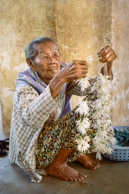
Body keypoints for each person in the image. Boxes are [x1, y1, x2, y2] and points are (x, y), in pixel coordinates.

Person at [9, 36, 117, 183]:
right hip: (35, 150)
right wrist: (60, 79)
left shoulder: (62, 73)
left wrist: (108, 64)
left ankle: (71, 151)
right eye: (44, 56)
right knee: (79, 116)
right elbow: (32, 119)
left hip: (55, 137)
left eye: (55, 54)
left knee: (93, 103)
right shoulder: (25, 87)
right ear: (31, 63)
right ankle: (56, 165)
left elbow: (96, 88)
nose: (52, 61)